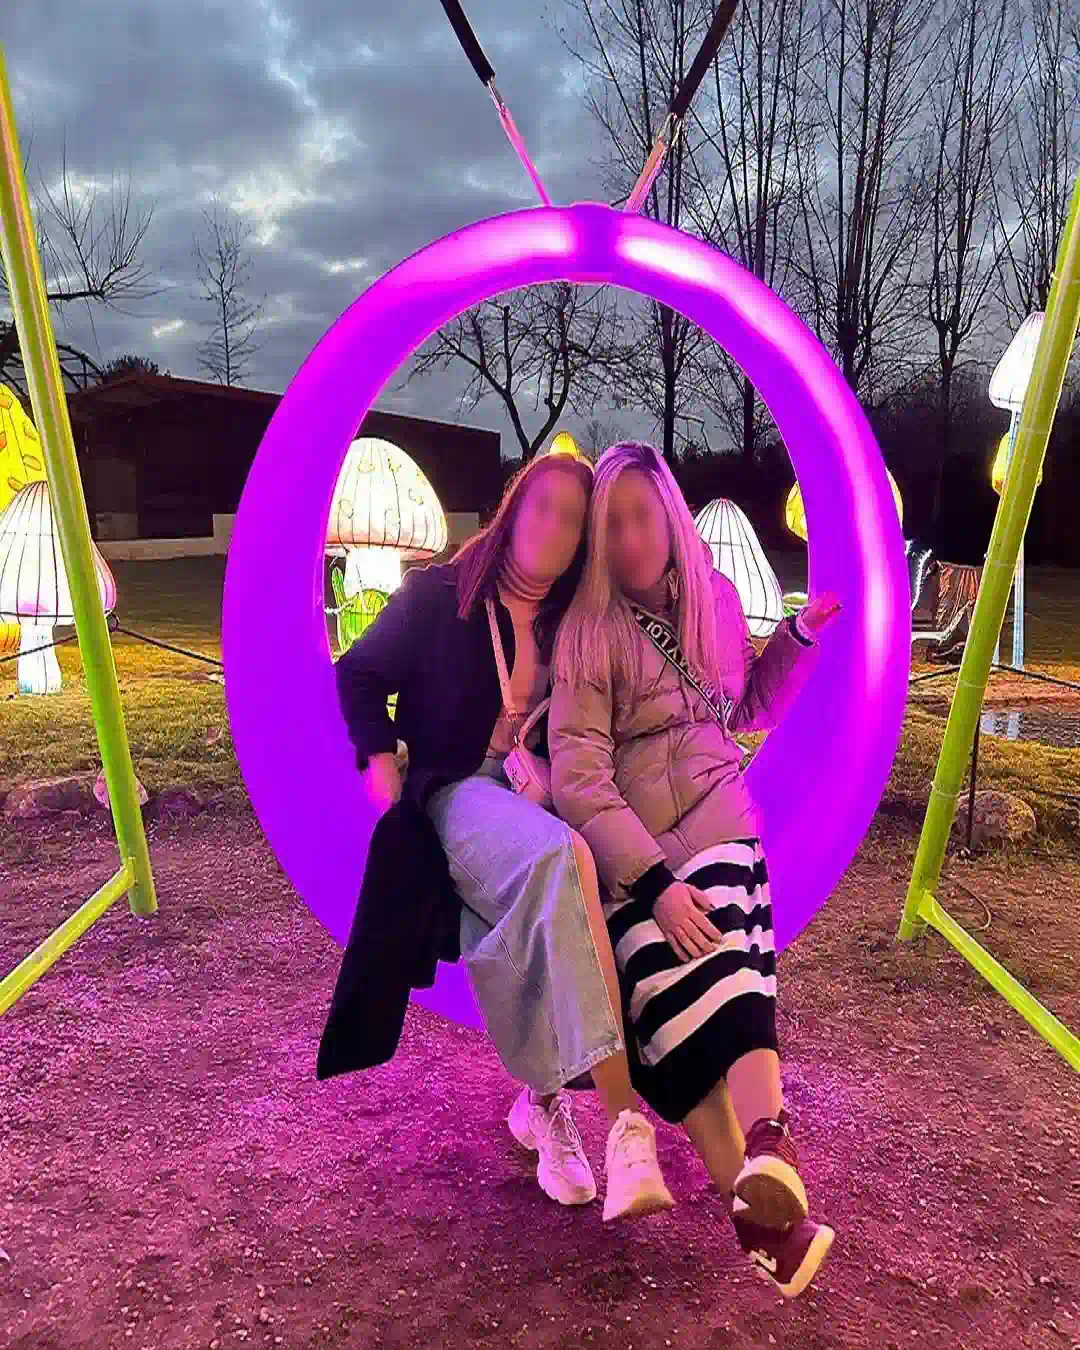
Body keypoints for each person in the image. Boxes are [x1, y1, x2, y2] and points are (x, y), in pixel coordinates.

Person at [321, 445, 676, 1223]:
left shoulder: (573, 625)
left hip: (539, 797)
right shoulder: (436, 597)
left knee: (529, 924)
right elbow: (356, 673)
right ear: (515, 509)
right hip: (457, 795)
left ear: (585, 541)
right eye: (542, 505)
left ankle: (540, 1104)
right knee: (564, 859)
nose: (553, 525)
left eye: (574, 519)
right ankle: (623, 1123)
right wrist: (377, 754)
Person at [549, 441, 842, 1298]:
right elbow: (578, 776)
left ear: (671, 518)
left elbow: (742, 707)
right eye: (615, 524)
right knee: (672, 1019)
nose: (634, 539)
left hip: (716, 826)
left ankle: (765, 1157)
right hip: (633, 856)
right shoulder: (589, 631)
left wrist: (796, 640)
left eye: (645, 516)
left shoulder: (713, 599)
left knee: (724, 967)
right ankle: (765, 1205)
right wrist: (650, 883)